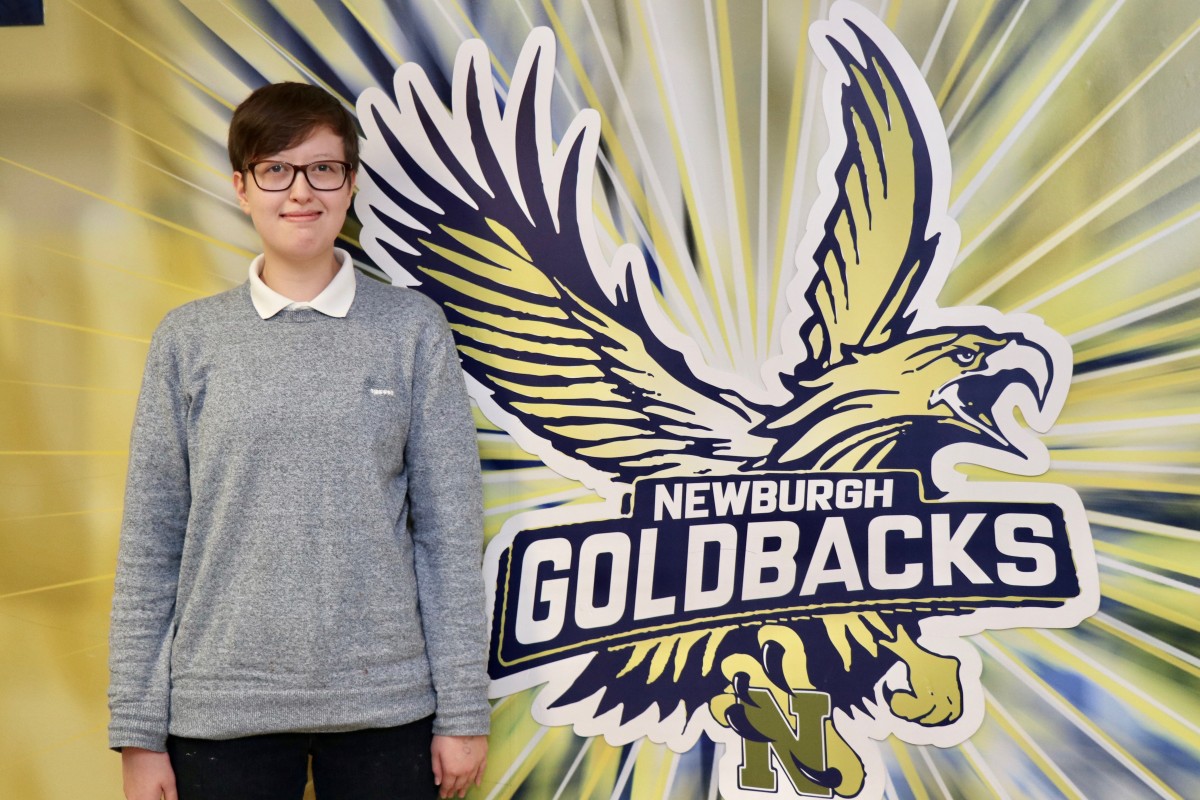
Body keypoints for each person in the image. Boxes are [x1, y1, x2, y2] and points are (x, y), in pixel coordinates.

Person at [108, 82, 490, 800]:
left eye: (324, 168)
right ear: (242, 187)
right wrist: (137, 731)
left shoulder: (413, 331)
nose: (301, 192)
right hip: (221, 713)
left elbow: (449, 537)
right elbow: (151, 546)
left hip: (388, 708)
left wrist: (463, 711)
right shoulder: (188, 340)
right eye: (275, 170)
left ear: (350, 184)